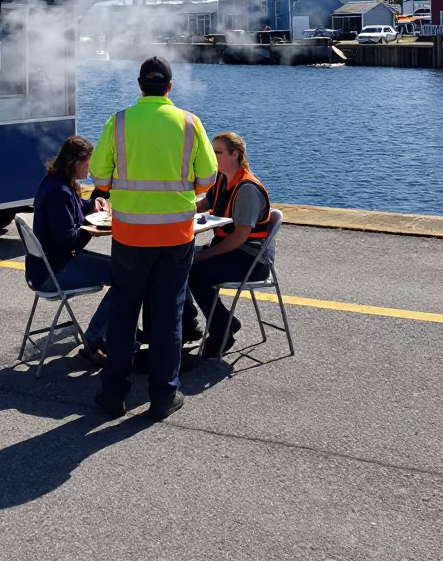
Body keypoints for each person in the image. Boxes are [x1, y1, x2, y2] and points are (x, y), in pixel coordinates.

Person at [89, 56, 217, 421]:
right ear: (169, 88)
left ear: (140, 86)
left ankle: (113, 397)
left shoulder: (119, 122)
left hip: (129, 235)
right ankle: (163, 397)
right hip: (176, 235)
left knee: (124, 312)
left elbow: (99, 176)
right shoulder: (190, 123)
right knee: (168, 315)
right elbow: (207, 178)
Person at [27, 135, 112, 365]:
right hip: (52, 272)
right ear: (74, 162)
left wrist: (93, 203)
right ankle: (95, 338)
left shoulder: (58, 182)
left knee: (125, 273)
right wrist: (94, 227)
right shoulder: (59, 192)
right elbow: (69, 240)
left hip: (49, 264)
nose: (90, 168)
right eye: (87, 164)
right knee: (128, 277)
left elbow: (72, 212)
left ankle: (108, 337)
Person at [187, 131, 273, 357]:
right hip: (231, 251)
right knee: (177, 259)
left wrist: (205, 255)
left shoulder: (247, 189)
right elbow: (203, 205)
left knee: (196, 272)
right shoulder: (222, 180)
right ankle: (196, 324)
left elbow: (239, 237)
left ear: (235, 154)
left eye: (218, 152)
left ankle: (221, 331)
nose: (212, 156)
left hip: (250, 259)